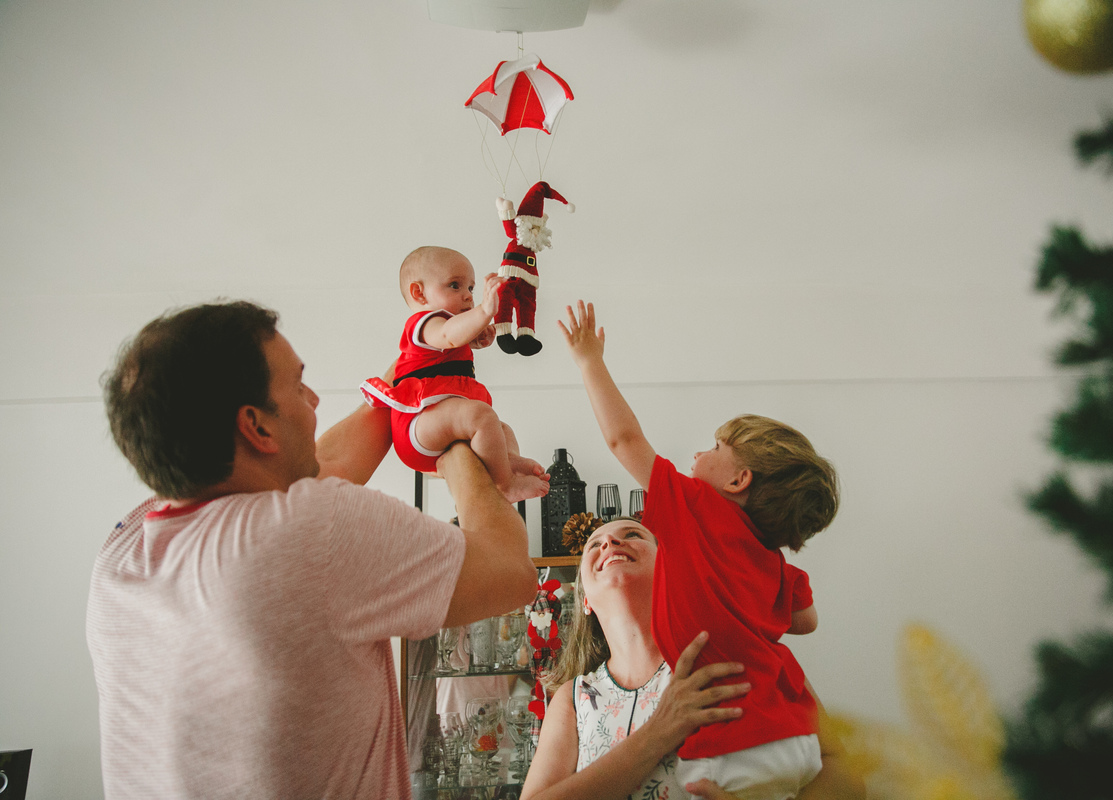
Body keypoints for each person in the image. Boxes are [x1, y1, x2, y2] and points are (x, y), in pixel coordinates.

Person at [87, 300, 538, 799]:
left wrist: (418, 365)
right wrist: (458, 448)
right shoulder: (308, 531)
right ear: (256, 426)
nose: (316, 398)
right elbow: (509, 571)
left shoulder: (122, 550)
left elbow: (330, 459)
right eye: (298, 385)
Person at [558, 302, 840, 800]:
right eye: (596, 545)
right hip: (793, 735)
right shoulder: (772, 560)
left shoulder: (698, 513)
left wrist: (589, 360)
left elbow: (624, 438)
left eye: (713, 446)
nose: (696, 455)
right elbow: (805, 620)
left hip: (737, 744)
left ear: (738, 480)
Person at [520, 519, 863, 800]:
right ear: (585, 602)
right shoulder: (573, 699)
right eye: (595, 544)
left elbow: (845, 773)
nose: (609, 543)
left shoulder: (735, 652)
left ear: (671, 569)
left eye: (632, 534)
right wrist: (657, 734)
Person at [360, 245, 549, 501]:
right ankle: (504, 485)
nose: (468, 296)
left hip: (442, 421)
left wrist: (477, 338)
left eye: (471, 288)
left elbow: (455, 339)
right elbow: (449, 335)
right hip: (417, 425)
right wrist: (483, 312)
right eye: (455, 286)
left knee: (502, 429)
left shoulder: (447, 329)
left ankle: (508, 461)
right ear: (419, 293)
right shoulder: (425, 323)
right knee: (483, 417)